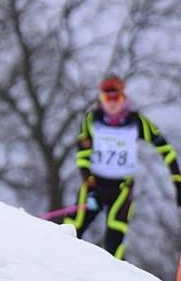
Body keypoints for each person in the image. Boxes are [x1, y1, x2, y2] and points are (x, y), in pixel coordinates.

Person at [64, 75, 181, 259]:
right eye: (106, 98)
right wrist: (90, 183)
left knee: (114, 239)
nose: (112, 103)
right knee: (72, 227)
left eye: (116, 98)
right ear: (100, 99)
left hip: (122, 189)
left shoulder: (137, 122)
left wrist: (177, 181)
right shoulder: (92, 119)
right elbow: (82, 156)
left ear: (123, 97)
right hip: (95, 185)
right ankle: (57, 265)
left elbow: (166, 150)